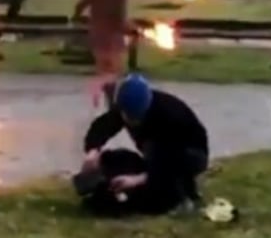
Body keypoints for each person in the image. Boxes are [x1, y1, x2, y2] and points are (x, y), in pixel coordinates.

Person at [76, 74, 209, 216]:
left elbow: (169, 159)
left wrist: (138, 179)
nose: (132, 122)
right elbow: (103, 127)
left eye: (136, 118)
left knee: (157, 163)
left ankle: (183, 196)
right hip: (158, 156)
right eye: (127, 116)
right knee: (116, 159)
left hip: (188, 154)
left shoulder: (168, 116)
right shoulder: (125, 107)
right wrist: (93, 151)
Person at [72, 0, 129, 108]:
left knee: (102, 69)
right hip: (114, 35)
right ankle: (112, 101)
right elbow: (120, 16)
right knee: (114, 70)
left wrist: (75, 17)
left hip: (97, 33)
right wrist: (130, 29)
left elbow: (80, 5)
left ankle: (104, 100)